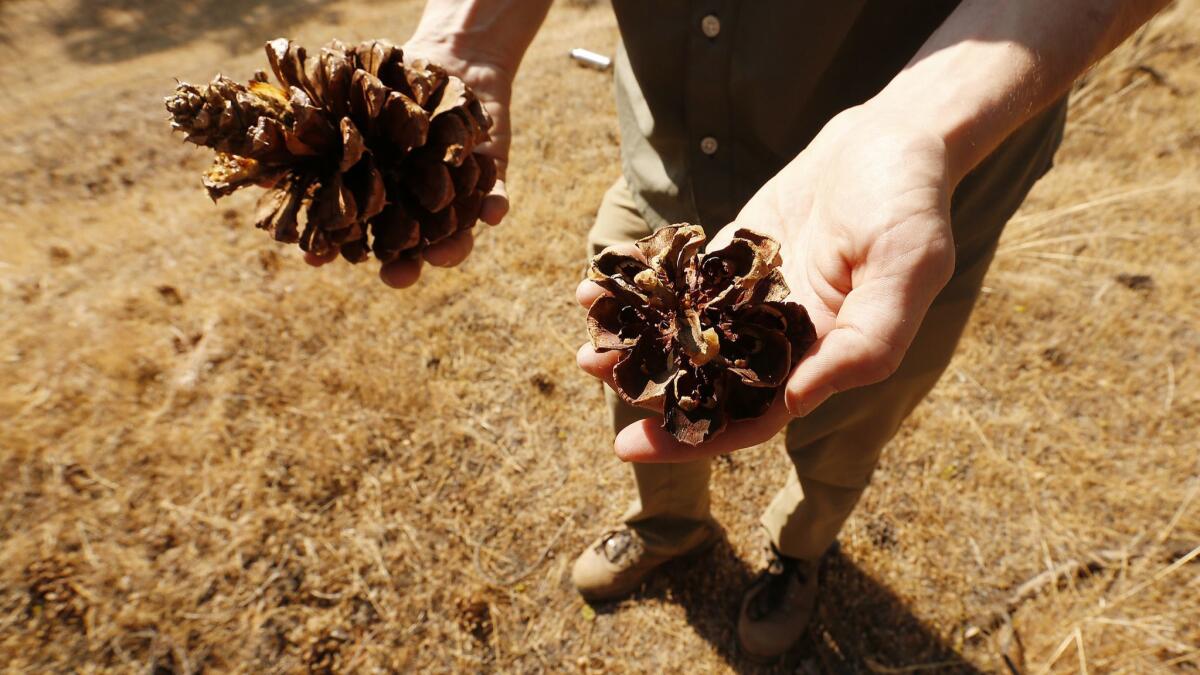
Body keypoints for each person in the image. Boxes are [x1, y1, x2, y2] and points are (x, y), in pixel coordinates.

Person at [312, 0, 1170, 660]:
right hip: (670, 172)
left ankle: (800, 551)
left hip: (901, 198)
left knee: (843, 418)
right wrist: (472, 35)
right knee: (640, 393)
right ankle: (672, 525)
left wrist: (919, 125)